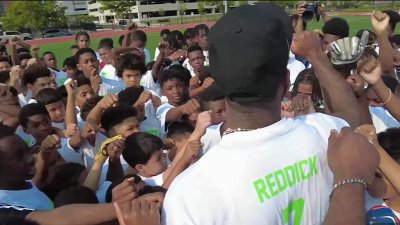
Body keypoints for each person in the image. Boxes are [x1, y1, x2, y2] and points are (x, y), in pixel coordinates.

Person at [162, 3, 360, 224]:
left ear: (220, 85)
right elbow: (355, 124)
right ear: (285, 82)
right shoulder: (325, 131)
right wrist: (316, 56)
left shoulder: (188, 194)